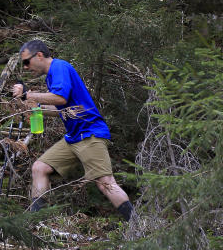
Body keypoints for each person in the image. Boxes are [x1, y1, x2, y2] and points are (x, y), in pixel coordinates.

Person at [12, 40, 134, 221]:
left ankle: (139, 228)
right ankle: (34, 224)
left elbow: (60, 98)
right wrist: (35, 108)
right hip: (74, 137)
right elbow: (61, 108)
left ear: (39, 55)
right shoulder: (51, 76)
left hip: (89, 133)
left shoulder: (59, 67)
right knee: (40, 168)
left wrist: (26, 94)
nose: (26, 67)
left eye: (26, 62)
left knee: (106, 183)